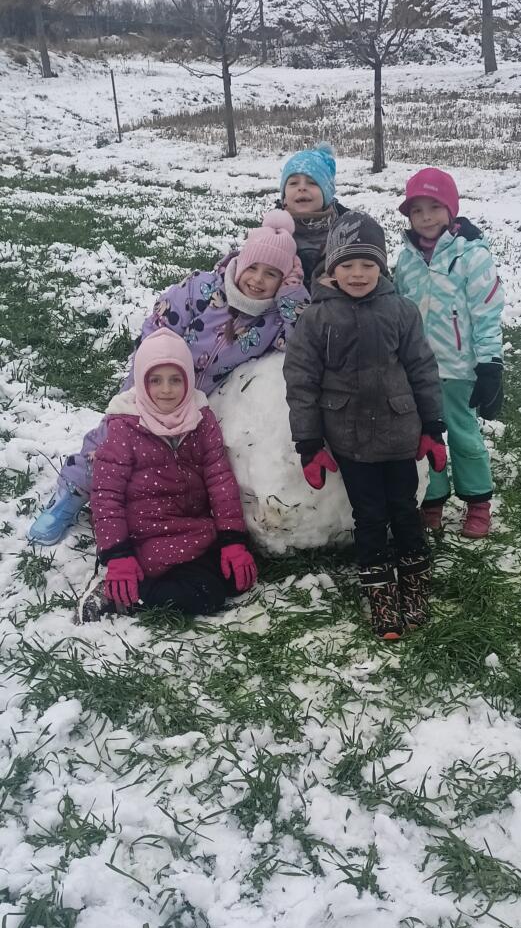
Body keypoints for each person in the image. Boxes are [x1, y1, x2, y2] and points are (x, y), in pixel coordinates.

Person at [30, 211, 307, 546]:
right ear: (241, 262)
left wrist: (293, 296)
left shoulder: (272, 320)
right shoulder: (202, 287)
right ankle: (73, 492)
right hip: (154, 379)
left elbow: (303, 341)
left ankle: (136, 503)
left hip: (199, 399)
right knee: (116, 436)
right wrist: (150, 373)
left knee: (163, 456)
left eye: (272, 274)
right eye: (253, 268)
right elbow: (160, 322)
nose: (258, 280)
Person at [283, 211, 446, 641]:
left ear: (382, 267)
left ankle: (414, 581)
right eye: (349, 265)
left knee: (405, 510)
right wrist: (308, 443)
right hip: (349, 438)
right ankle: (380, 592)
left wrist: (433, 426)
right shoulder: (316, 318)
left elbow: (422, 368)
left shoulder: (401, 310)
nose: (358, 274)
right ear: (332, 267)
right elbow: (301, 381)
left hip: (399, 432)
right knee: (370, 515)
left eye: (368, 264)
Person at [79, 329, 257, 622]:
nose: (166, 390)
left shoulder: (200, 418)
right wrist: (117, 554)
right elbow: (106, 495)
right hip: (148, 536)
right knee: (205, 593)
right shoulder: (125, 427)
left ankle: (182, 580)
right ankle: (124, 596)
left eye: (175, 379)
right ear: (141, 381)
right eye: (155, 380)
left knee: (237, 578)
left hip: (194, 529)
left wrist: (232, 539)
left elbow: (220, 480)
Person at [394, 168, 504, 539]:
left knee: (463, 436)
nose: (425, 217)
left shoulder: (471, 255)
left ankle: (478, 503)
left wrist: (490, 364)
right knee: (426, 437)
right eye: (417, 210)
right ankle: (432, 500)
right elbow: (397, 310)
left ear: (451, 209)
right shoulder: (406, 259)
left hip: (458, 369)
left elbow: (487, 312)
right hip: (416, 371)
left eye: (434, 207)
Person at [279, 142, 348, 288]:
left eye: (312, 183)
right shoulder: (272, 231)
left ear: (327, 194)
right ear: (284, 196)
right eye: (293, 183)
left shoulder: (348, 229)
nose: (302, 188)